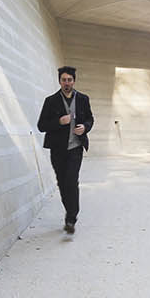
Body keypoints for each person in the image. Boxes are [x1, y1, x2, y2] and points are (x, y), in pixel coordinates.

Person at [36, 65, 94, 233]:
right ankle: (69, 212)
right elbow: (41, 126)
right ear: (59, 81)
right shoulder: (50, 101)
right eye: (64, 80)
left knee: (71, 180)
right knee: (62, 183)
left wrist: (85, 127)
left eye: (69, 80)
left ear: (74, 81)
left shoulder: (83, 99)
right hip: (57, 149)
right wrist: (59, 122)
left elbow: (90, 118)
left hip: (76, 147)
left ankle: (71, 218)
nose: (67, 83)